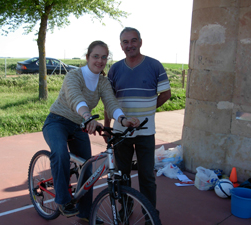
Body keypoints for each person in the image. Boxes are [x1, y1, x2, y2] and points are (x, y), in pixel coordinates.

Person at [42, 40, 140, 224]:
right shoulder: (74, 76)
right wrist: (87, 116)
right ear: (87, 57)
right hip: (57, 121)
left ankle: (85, 213)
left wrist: (123, 120)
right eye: (96, 56)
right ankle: (62, 201)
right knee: (60, 153)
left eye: (104, 57)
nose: (100, 60)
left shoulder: (103, 82)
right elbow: (75, 98)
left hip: (80, 125)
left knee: (87, 167)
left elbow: (111, 103)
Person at [104, 27, 171, 217]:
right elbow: (108, 101)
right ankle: (125, 209)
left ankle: (150, 214)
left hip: (145, 132)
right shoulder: (115, 69)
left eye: (133, 41)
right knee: (122, 175)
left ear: (140, 42)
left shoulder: (154, 66)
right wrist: (108, 127)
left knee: (147, 177)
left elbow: (166, 94)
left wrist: (149, 110)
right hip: (120, 133)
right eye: (125, 42)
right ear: (121, 45)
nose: (129, 45)